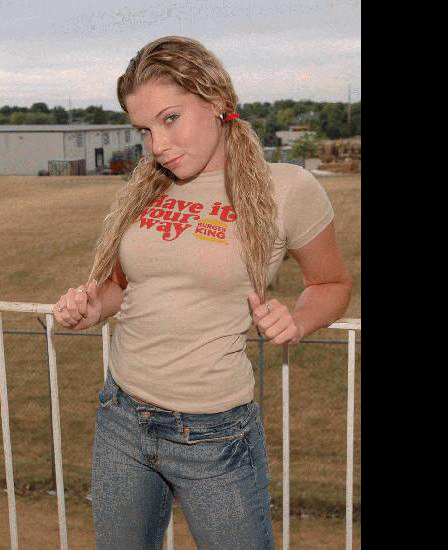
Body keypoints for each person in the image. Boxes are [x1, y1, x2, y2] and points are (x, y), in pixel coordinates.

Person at [53, 35, 351, 549]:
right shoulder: (149, 185)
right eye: (145, 130)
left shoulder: (287, 188)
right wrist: (91, 306)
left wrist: (299, 321)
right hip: (121, 417)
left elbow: (332, 284)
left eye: (170, 119)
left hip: (215, 435)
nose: (158, 145)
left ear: (215, 100)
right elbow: (122, 286)